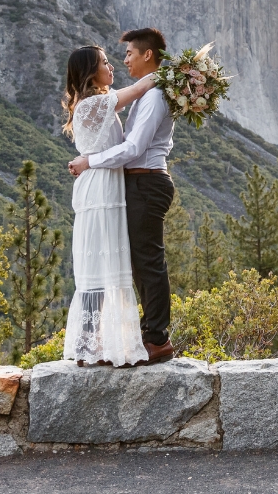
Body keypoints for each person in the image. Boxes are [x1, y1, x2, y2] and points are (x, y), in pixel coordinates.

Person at [68, 28, 177, 365]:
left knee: (142, 263)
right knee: (108, 261)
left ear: (147, 55)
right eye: (107, 61)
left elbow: (133, 147)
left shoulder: (152, 95)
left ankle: (153, 339)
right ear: (91, 71)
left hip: (138, 183)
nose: (119, 61)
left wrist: (89, 161)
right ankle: (96, 340)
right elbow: (138, 90)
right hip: (110, 187)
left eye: (128, 53)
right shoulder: (103, 102)